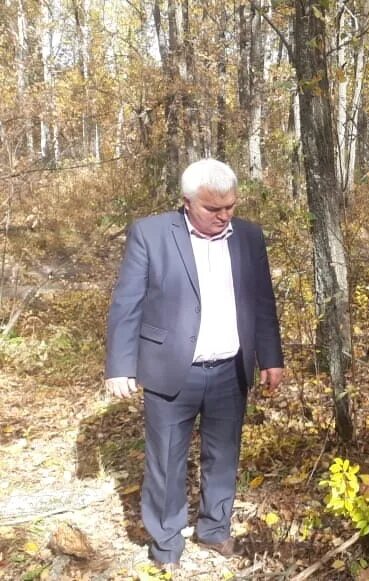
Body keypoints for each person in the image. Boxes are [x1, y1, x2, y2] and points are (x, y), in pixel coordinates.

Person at [104, 159, 284, 573]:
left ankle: (214, 528)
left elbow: (262, 300)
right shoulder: (150, 234)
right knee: (166, 458)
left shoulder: (249, 236)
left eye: (230, 207)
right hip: (170, 369)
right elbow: (126, 303)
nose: (223, 217)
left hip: (230, 368)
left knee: (224, 454)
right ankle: (167, 541)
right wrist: (120, 366)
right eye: (212, 209)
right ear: (186, 202)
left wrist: (271, 357)